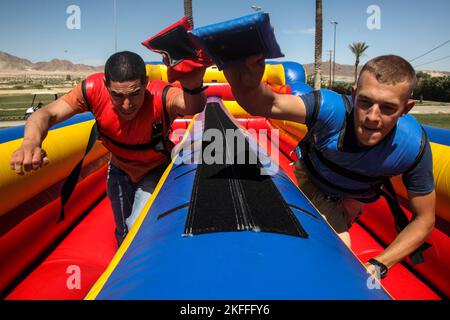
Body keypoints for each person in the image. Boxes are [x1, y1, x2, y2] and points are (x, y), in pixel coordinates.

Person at [223, 54, 435, 278]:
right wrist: (246, 81)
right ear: (353, 95)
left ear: (406, 109)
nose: (372, 117)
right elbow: (268, 103)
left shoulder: (412, 145)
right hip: (315, 180)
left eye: (388, 108)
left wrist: (379, 265)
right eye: (365, 102)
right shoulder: (331, 110)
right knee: (338, 247)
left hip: (355, 194)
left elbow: (424, 219)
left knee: (343, 219)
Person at [10, 51, 207, 246]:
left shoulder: (160, 95)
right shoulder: (92, 90)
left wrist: (192, 85)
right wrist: (30, 143)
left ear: (146, 83)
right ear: (106, 85)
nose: (127, 104)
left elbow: (191, 106)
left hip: (152, 170)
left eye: (135, 94)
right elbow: (47, 114)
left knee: (137, 230)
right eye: (117, 96)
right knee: (123, 230)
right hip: (119, 170)